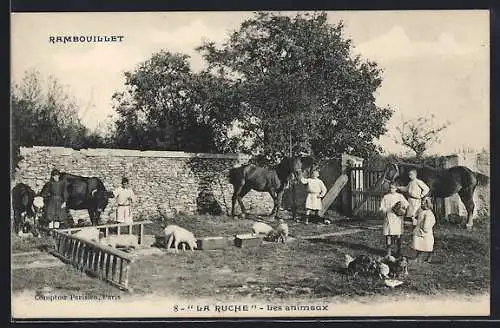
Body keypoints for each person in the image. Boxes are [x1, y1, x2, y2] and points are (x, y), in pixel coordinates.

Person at [379, 182, 410, 257]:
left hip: (397, 218)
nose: (391, 189)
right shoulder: (386, 197)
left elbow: (406, 204)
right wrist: (385, 210)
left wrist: (401, 207)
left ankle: (399, 251)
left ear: (396, 188)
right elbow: (381, 207)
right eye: (390, 187)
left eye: (392, 188)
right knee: (388, 234)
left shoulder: (400, 196)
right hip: (389, 216)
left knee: (398, 234)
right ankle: (388, 252)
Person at [411, 197, 436, 263]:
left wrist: (425, 228)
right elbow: (415, 216)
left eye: (424, 202)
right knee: (418, 244)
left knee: (428, 244)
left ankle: (429, 257)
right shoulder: (420, 210)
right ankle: (418, 257)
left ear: (428, 204)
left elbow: (430, 222)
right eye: (422, 202)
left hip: (426, 231)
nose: (422, 203)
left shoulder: (429, 213)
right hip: (419, 229)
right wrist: (414, 218)